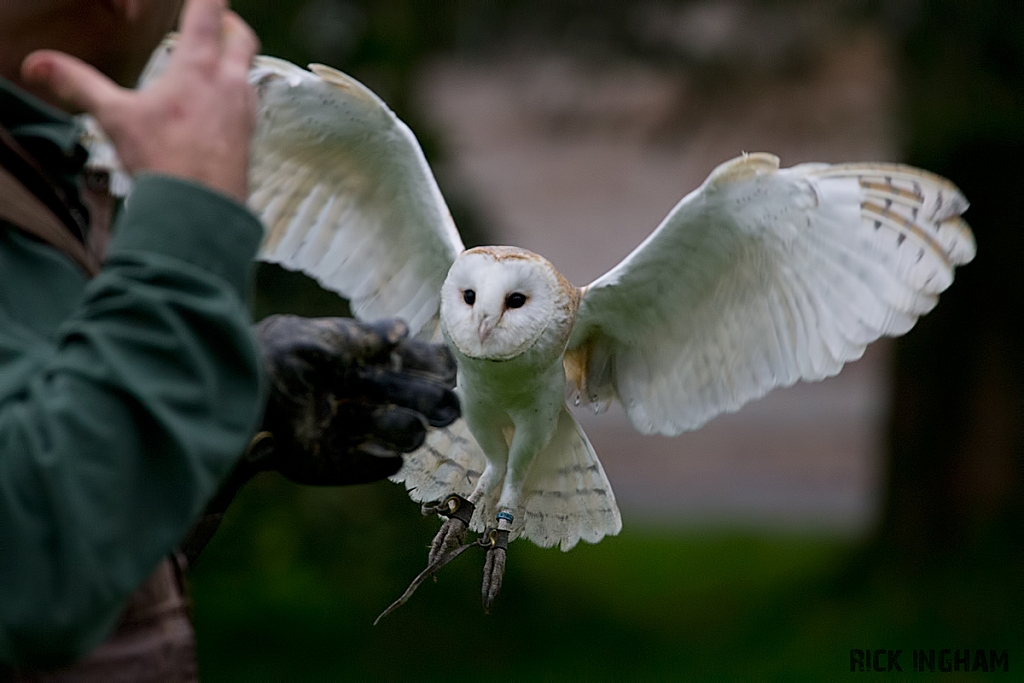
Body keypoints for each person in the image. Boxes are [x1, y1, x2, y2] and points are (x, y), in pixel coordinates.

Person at [0, 0, 459, 678]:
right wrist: (187, 220)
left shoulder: (40, 174)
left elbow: (78, 579)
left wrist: (228, 418)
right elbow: (29, 570)